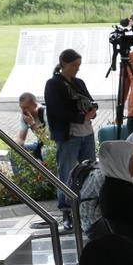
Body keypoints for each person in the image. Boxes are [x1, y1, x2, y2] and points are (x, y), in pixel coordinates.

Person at [44, 48, 98, 229]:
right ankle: (67, 211)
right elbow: (57, 110)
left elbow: (89, 100)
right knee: (66, 173)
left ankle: (86, 206)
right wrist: (80, 116)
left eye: (78, 65)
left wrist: (92, 111)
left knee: (89, 170)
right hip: (69, 135)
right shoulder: (53, 84)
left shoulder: (79, 82)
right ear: (63, 64)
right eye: (74, 65)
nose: (77, 69)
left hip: (86, 133)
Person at [12, 91, 46, 173]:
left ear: (34, 105)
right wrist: (14, 144)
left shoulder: (45, 113)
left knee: (44, 152)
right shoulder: (25, 117)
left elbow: (47, 140)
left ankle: (48, 182)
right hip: (39, 145)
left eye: (26, 107)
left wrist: (32, 124)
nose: (23, 111)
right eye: (21, 107)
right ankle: (21, 182)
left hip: (52, 146)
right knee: (13, 152)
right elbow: (21, 138)